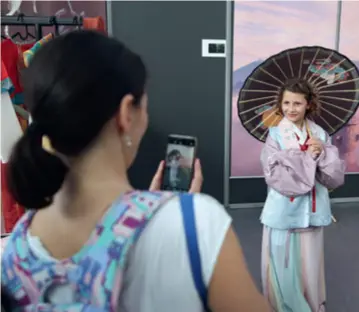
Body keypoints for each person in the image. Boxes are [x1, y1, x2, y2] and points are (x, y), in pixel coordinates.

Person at [1, 31, 269, 312]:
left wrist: (153, 208)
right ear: (127, 112)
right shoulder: (194, 221)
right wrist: (172, 211)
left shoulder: (18, 246)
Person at [260, 78, 345, 312]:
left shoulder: (320, 134)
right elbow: (275, 175)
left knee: (310, 265)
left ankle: (311, 305)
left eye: (297, 103)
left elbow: (334, 178)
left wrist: (324, 153)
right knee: (282, 266)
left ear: (308, 104)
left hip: (313, 210)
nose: (290, 109)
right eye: (286, 103)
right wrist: (307, 158)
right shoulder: (275, 135)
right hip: (283, 211)